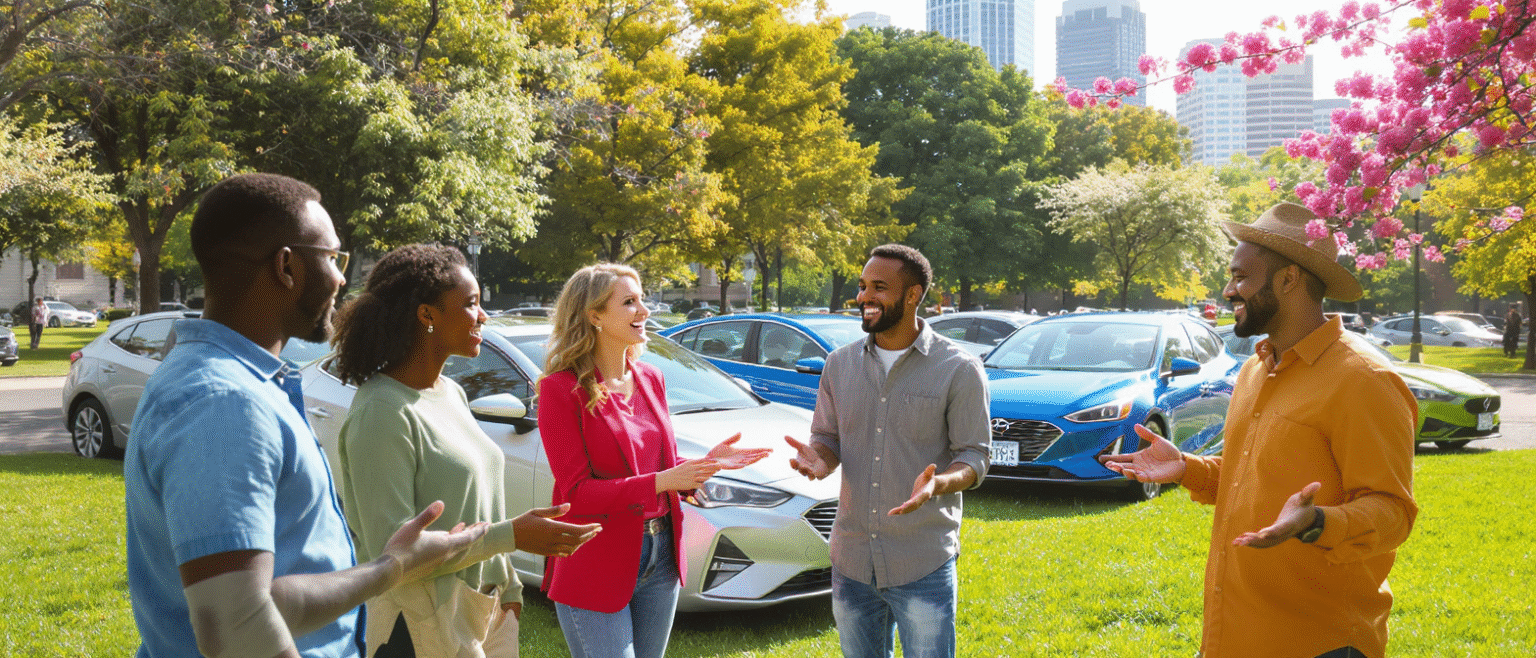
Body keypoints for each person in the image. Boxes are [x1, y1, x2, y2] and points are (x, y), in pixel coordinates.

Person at [124, 173, 488, 658]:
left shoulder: (235, 382)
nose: (342, 278)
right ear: (288, 266)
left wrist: (391, 566)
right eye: (333, 258)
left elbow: (274, 597)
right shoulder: (224, 401)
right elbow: (237, 626)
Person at [1101, 202, 1418, 658]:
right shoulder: (1254, 368)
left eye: (1240, 277)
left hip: (1319, 643)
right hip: (1234, 634)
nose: (1228, 290)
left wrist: (1317, 523)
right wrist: (1186, 469)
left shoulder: (1363, 380)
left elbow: (1393, 513)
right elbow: (1253, 473)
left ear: (1288, 280)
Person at [328, 244, 602, 658]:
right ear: (427, 315)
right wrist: (513, 536)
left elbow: (478, 506)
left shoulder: (451, 392)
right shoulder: (381, 411)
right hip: (419, 624)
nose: (483, 316)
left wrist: (507, 586)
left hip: (483, 612)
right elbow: (394, 554)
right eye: (471, 304)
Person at [537, 263, 771, 658]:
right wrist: (665, 480)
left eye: (642, 299)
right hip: (594, 558)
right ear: (594, 315)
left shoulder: (651, 378)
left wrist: (701, 466)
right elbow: (576, 494)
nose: (644, 310)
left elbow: (651, 463)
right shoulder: (560, 390)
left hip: (661, 554)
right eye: (629, 302)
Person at [784, 244, 991, 658]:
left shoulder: (959, 368)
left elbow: (975, 455)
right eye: (863, 286)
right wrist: (819, 460)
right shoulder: (838, 365)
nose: (864, 297)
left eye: (879, 287)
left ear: (912, 295)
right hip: (852, 559)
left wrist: (938, 484)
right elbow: (828, 438)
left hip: (922, 560)